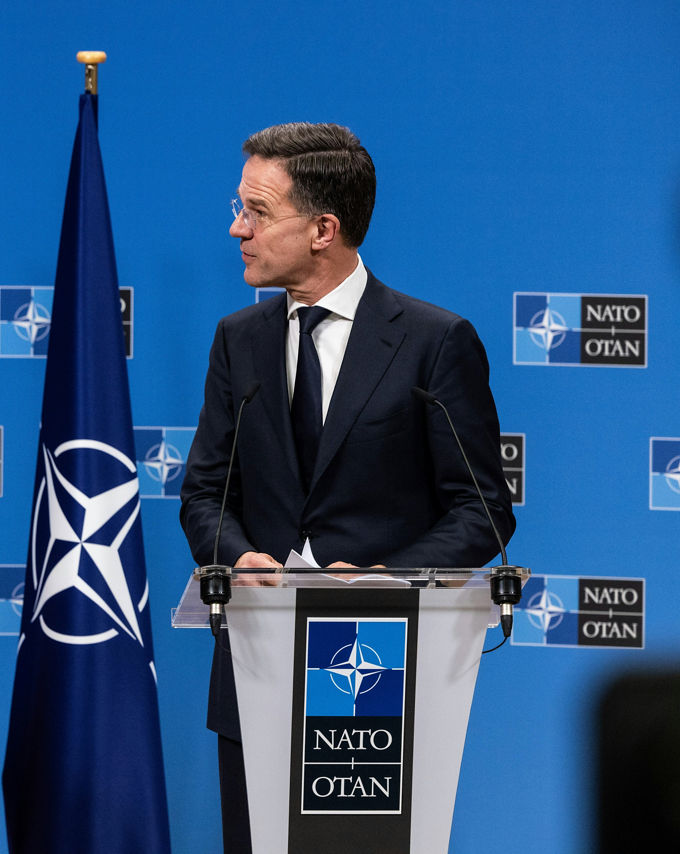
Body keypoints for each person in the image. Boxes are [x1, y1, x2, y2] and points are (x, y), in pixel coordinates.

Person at [178, 123, 514, 853]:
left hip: (378, 669)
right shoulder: (240, 339)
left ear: (324, 228)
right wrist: (238, 557)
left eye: (258, 212)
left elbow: (482, 514)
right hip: (257, 668)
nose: (238, 228)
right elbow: (204, 493)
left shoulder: (433, 341)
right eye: (238, 207)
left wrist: (379, 584)